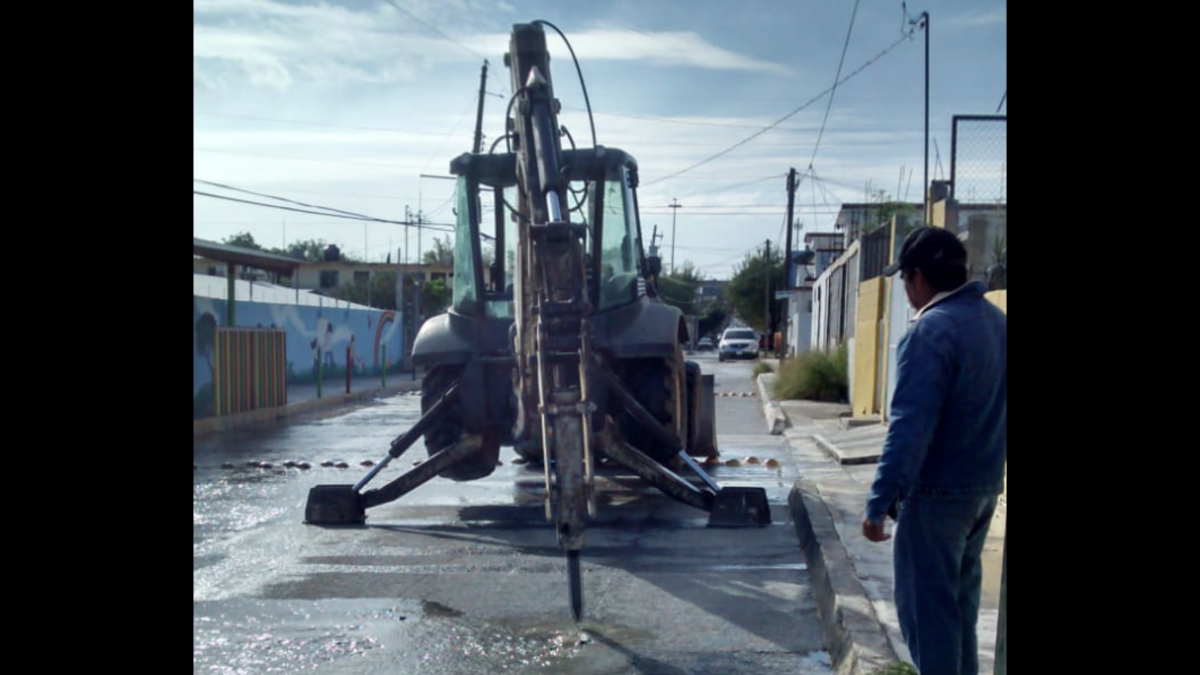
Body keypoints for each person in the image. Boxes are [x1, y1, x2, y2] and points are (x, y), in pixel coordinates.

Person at [862, 226, 1006, 675]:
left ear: (918, 276)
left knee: (929, 620)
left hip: (935, 497)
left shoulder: (930, 331)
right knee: (960, 613)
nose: (906, 290)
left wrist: (879, 502)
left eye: (904, 280)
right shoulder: (997, 323)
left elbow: (909, 426)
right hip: (982, 491)